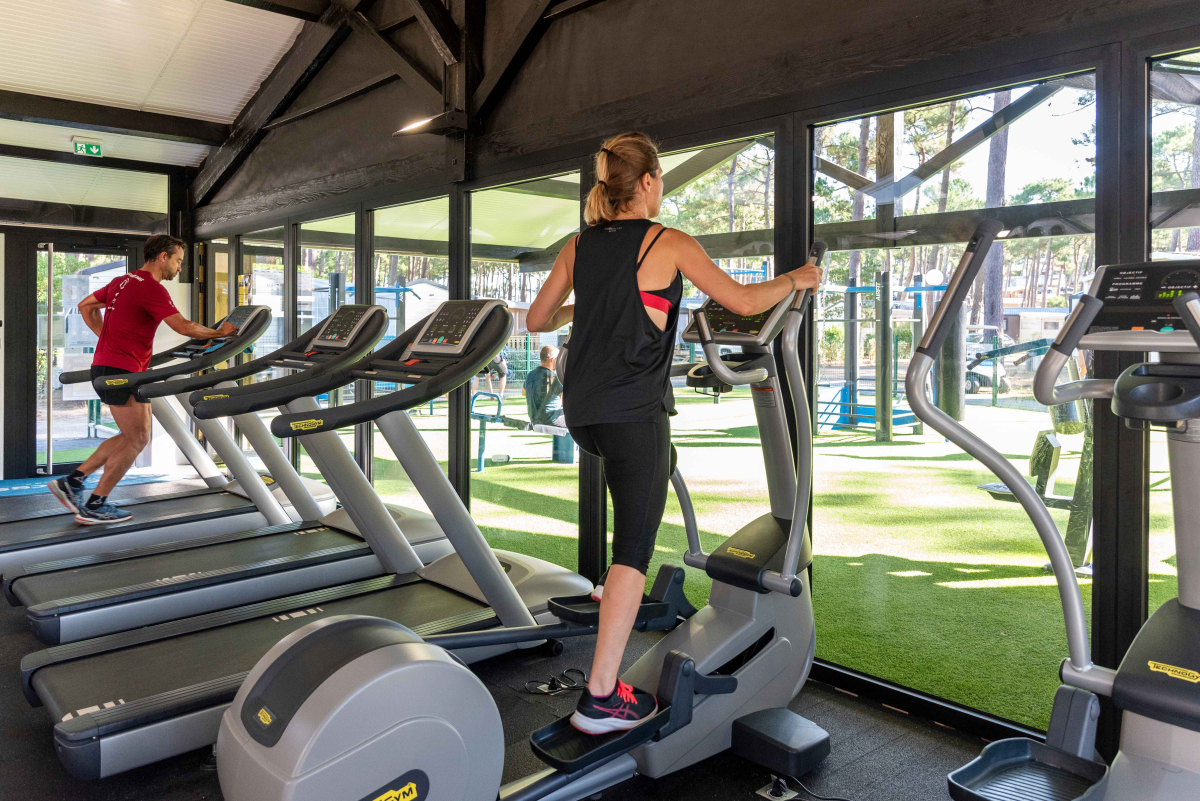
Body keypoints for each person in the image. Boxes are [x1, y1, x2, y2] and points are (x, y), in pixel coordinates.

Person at [526, 132, 822, 735]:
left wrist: (596, 303)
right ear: (651, 182)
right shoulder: (670, 242)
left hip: (585, 414)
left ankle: (609, 594)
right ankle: (600, 699)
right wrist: (797, 278)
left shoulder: (579, 246)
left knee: (654, 469)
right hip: (632, 412)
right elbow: (740, 298)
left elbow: (536, 320)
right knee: (634, 549)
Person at [48, 235, 237, 525]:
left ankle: (73, 482)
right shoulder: (152, 288)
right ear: (162, 256)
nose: (178, 268)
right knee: (138, 438)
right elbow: (184, 327)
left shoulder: (122, 282)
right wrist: (220, 333)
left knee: (131, 436)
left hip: (115, 367)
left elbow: (86, 306)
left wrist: (110, 340)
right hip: (121, 371)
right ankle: (94, 504)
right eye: (177, 261)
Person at [523, 345, 565, 428]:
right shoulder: (553, 377)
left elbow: (524, 393)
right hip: (552, 419)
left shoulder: (530, 375)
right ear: (553, 360)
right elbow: (565, 400)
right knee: (577, 418)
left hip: (534, 419)